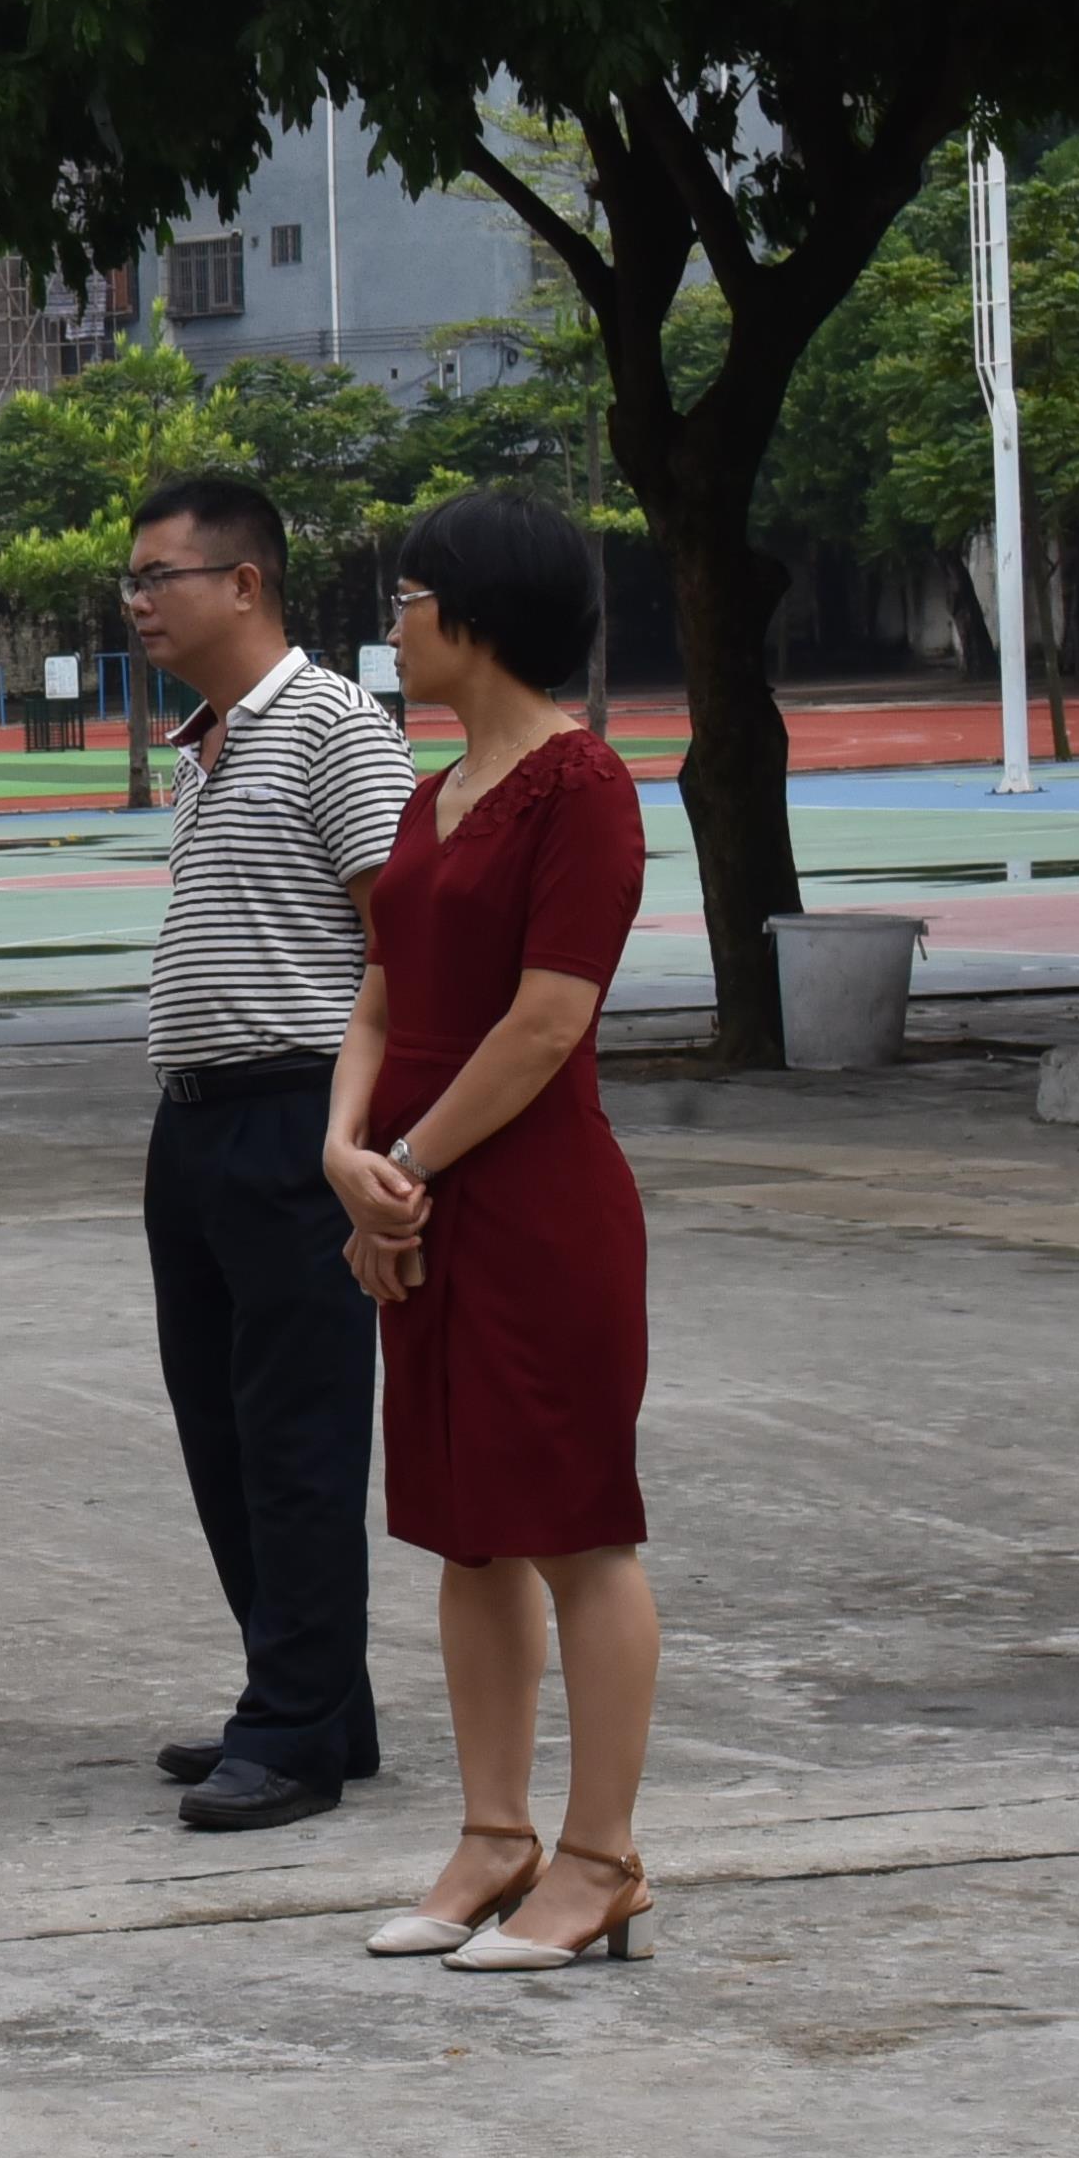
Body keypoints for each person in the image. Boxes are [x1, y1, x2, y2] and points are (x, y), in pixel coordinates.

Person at [326, 489, 664, 1975]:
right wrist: (344, 1154)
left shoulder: (580, 785)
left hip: (531, 1202)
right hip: (417, 1186)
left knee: (573, 1527)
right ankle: (490, 1833)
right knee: (465, 1530)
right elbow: (383, 992)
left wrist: (395, 1158)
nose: (394, 622)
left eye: (408, 597)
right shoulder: (429, 789)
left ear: (472, 614)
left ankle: (597, 1858)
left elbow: (546, 1020)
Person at [119, 472, 423, 1834]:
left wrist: (361, 1140)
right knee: (221, 1430)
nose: (135, 602)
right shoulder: (210, 743)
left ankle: (291, 1732)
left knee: (294, 1434)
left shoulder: (331, 728)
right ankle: (307, 1692)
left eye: (156, 577)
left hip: (295, 1110)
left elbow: (399, 946)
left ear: (242, 583)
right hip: (193, 1120)